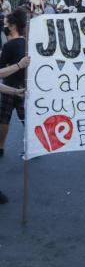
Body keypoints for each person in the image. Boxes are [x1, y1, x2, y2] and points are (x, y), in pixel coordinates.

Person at [0, 8, 30, 157]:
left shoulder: (8, 46)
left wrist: (13, 66)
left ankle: (0, 147)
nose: (4, 26)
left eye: (5, 24)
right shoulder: (28, 43)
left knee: (3, 119)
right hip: (25, 87)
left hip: (9, 85)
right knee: (27, 119)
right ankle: (34, 146)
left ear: (12, 26)